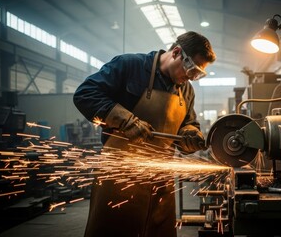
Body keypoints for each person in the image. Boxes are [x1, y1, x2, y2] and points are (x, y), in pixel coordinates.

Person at [73, 31, 216, 237]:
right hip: (120, 175)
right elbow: (85, 93)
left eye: (198, 75)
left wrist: (190, 133)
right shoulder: (129, 66)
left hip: (160, 178)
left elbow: (189, 122)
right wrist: (124, 119)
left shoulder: (186, 91)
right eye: (191, 69)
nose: (191, 77)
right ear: (176, 52)